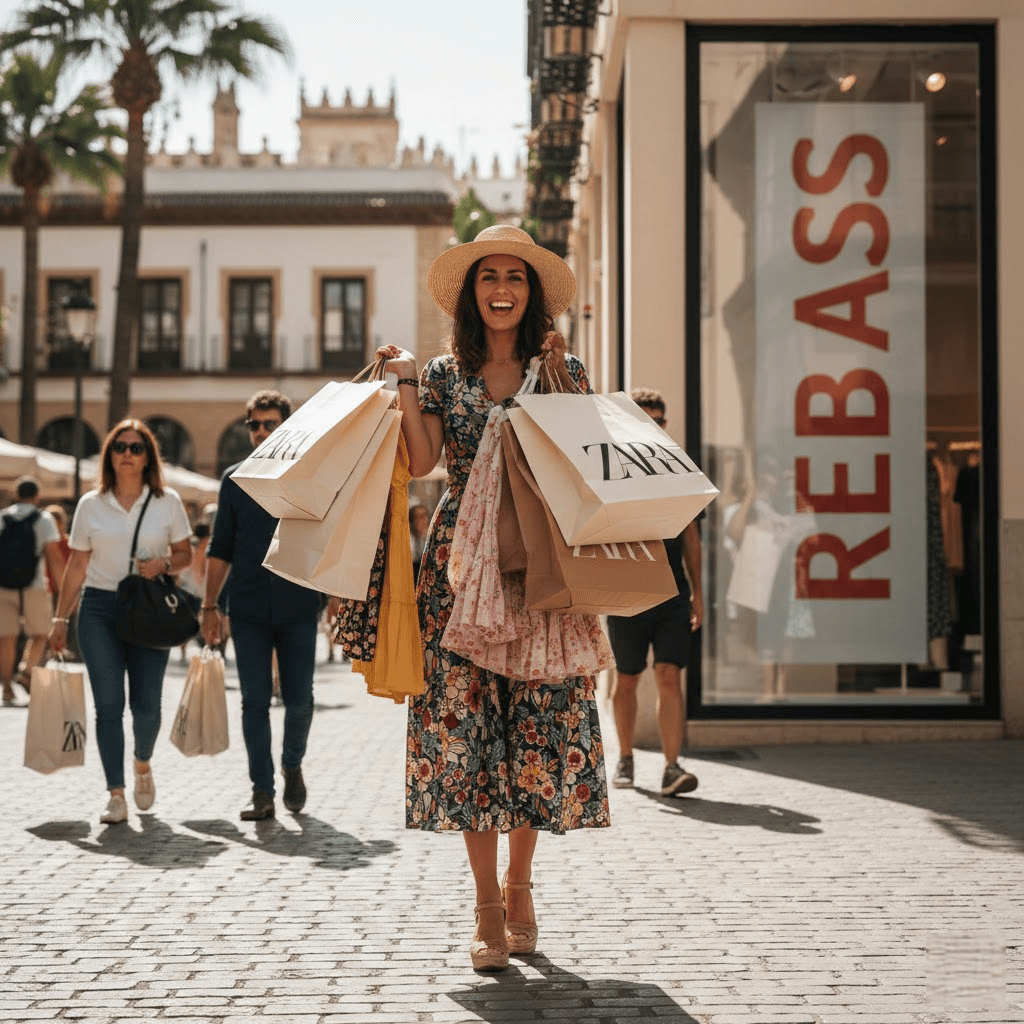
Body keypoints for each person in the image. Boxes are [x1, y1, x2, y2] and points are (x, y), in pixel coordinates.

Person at [379, 223, 610, 973]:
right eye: (489, 278)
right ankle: (484, 905)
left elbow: (586, 459)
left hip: (539, 564)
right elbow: (419, 463)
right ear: (472, 294)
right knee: (467, 731)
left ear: (531, 292)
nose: (502, 290)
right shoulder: (447, 374)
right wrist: (409, 381)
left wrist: (566, 382)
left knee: (540, 726)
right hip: (459, 569)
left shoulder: (563, 367)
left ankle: (520, 887)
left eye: (514, 278)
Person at [49, 422, 193, 823]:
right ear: (109, 455)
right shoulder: (91, 505)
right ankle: (115, 793)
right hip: (99, 609)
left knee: (146, 707)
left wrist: (164, 563)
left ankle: (142, 763)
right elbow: (77, 564)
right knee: (108, 707)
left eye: (136, 447)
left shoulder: (168, 502)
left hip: (148, 609)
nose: (127, 453)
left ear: (148, 457)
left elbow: (185, 554)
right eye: (120, 447)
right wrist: (61, 616)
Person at [201, 390, 322, 821]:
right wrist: (209, 605)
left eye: (270, 423)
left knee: (300, 700)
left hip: (300, 601)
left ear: (287, 425)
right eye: (254, 424)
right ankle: (262, 791)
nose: (261, 432)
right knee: (253, 701)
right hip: (247, 606)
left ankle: (291, 763)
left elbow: (326, 538)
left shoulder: (307, 475)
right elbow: (221, 546)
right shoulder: (234, 479)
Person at [606, 389, 703, 796]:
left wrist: (698, 593)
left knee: (669, 675)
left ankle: (671, 766)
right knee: (626, 679)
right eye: (645, 418)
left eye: (659, 420)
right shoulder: (610, 469)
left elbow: (691, 536)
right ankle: (626, 758)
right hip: (627, 589)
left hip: (673, 594)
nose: (653, 425)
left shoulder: (678, 470)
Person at [1, 478, 65, 705]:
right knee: (41, 633)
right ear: (37, 496)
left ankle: (6, 690)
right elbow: (54, 558)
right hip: (35, 586)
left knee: (6, 638)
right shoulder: (44, 519)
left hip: (3, 587)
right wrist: (61, 590)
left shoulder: (2, 517)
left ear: (16, 494)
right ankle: (26, 670)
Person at [408, 502, 429, 585]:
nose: (423, 520)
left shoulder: (432, 536)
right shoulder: (410, 539)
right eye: (419, 517)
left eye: (424, 516)